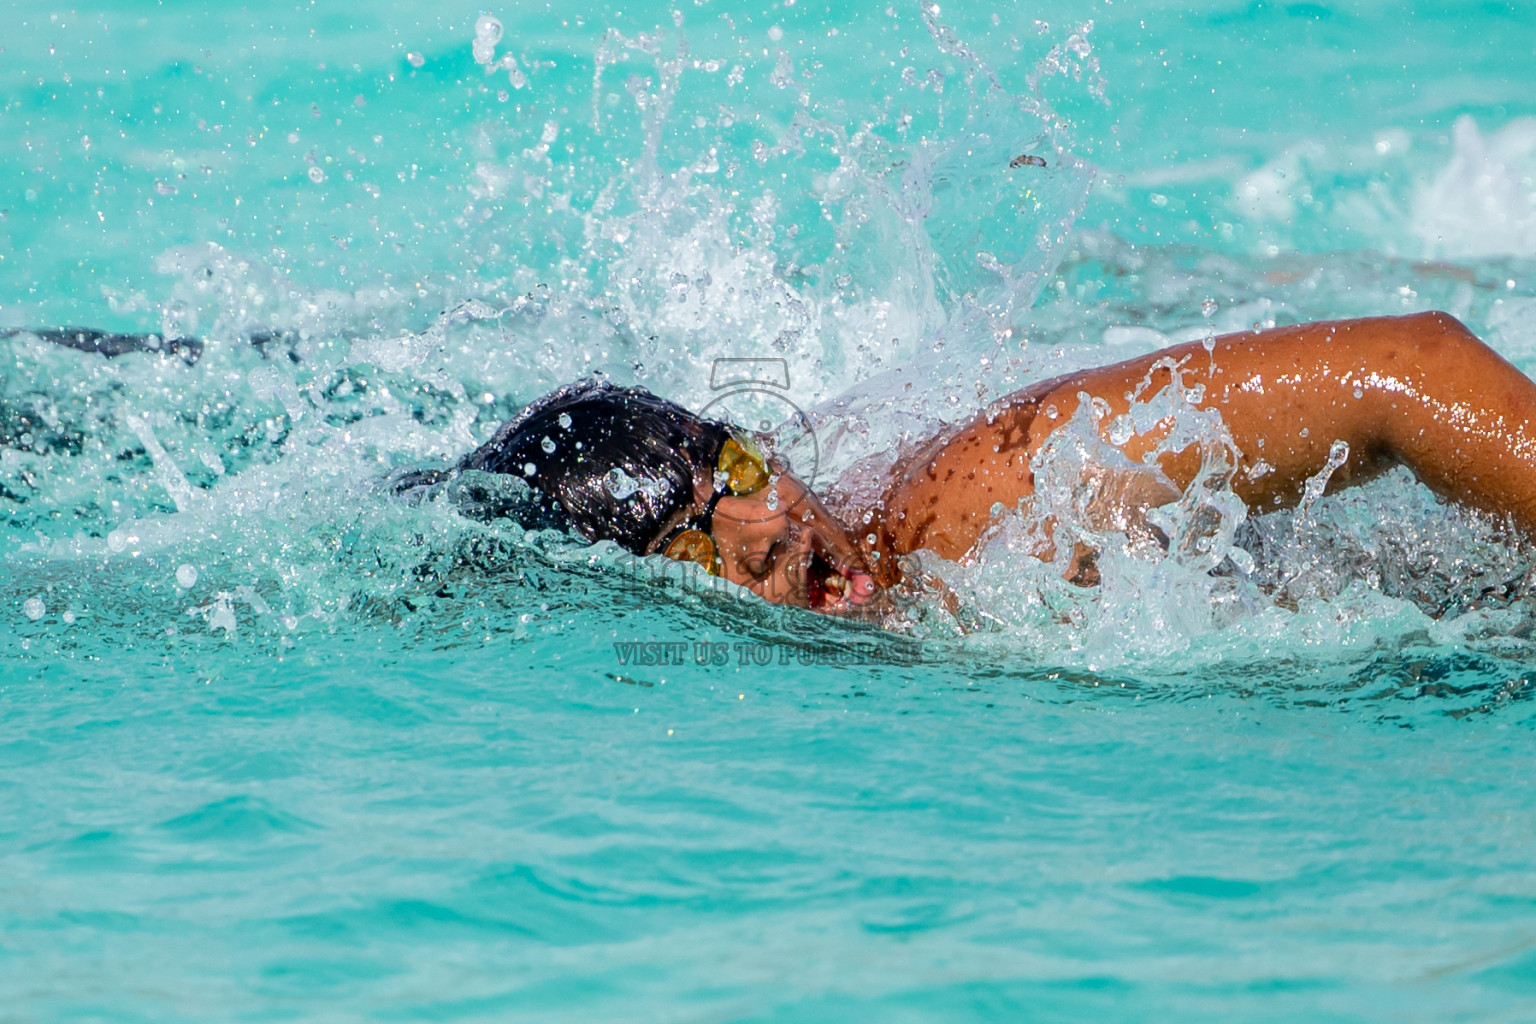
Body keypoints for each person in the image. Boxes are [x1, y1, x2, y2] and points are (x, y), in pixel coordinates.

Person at [403, 311, 1536, 614]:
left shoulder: (1000, 500)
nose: (770, 529)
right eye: (694, 541)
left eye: (741, 466)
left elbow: (1408, 364)